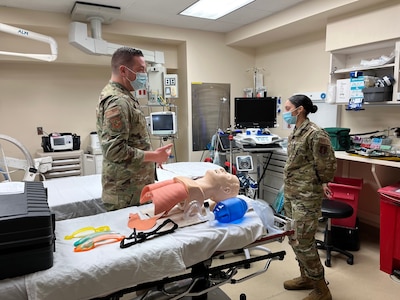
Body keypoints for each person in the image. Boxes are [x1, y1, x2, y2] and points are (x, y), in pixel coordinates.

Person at [96, 47, 173, 211]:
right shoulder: (117, 101)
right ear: (124, 70)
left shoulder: (125, 96)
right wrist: (153, 156)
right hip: (126, 193)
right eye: (140, 70)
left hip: (135, 187)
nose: (144, 75)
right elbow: (114, 150)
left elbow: (132, 140)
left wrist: (151, 157)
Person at [282, 94, 336, 300]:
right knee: (294, 237)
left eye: (287, 108)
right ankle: (306, 277)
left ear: (300, 109)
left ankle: (322, 290)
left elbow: (326, 163)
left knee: (304, 241)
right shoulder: (295, 132)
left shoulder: (315, 134)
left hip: (307, 196)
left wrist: (323, 183)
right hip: (292, 193)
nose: (285, 112)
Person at [140, 168, 240, 215]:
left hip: (189, 190)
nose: (222, 169)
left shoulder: (192, 190)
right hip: (186, 186)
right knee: (152, 193)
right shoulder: (189, 186)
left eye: (227, 175)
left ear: (226, 190)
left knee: (157, 197)